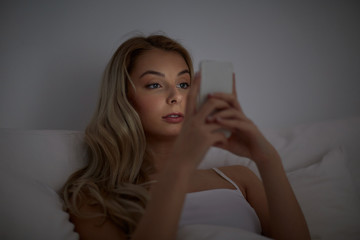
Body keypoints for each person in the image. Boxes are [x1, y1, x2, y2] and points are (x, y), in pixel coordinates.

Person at [62, 34, 310, 240]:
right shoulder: (93, 195)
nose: (176, 97)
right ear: (124, 99)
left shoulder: (240, 178)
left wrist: (267, 158)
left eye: (183, 84)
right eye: (154, 85)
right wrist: (183, 162)